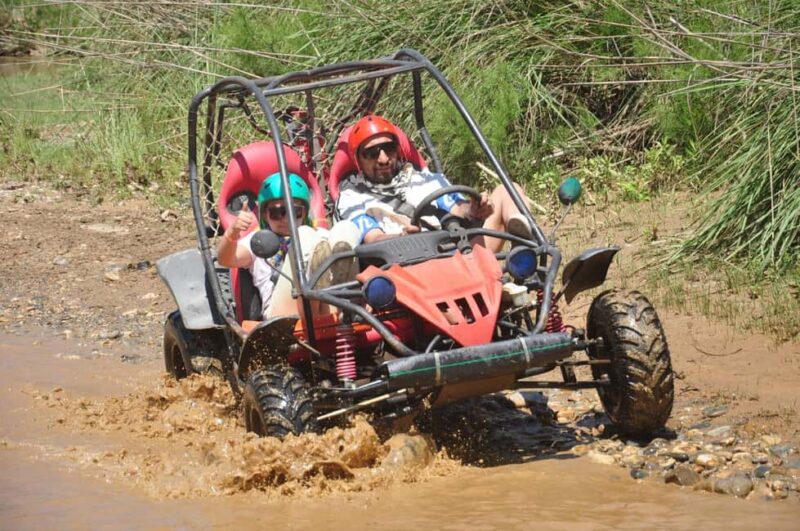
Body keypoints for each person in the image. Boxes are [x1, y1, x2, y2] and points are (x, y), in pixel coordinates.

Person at [335, 115, 533, 252]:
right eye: (372, 153)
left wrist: (474, 209)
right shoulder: (352, 198)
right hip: (403, 267)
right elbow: (374, 239)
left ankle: (524, 250)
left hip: (459, 252)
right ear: (358, 159)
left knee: (509, 190)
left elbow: (457, 208)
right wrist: (402, 238)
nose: (383, 159)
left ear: (398, 149)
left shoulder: (425, 179)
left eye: (389, 148)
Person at [219, 172, 359, 320]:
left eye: (295, 211)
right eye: (277, 212)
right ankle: (315, 286)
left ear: (304, 212)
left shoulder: (319, 235)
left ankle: (343, 296)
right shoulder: (259, 241)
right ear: (265, 214)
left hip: (332, 305)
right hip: (284, 316)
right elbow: (226, 259)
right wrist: (232, 232)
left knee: (346, 228)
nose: (286, 219)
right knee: (304, 235)